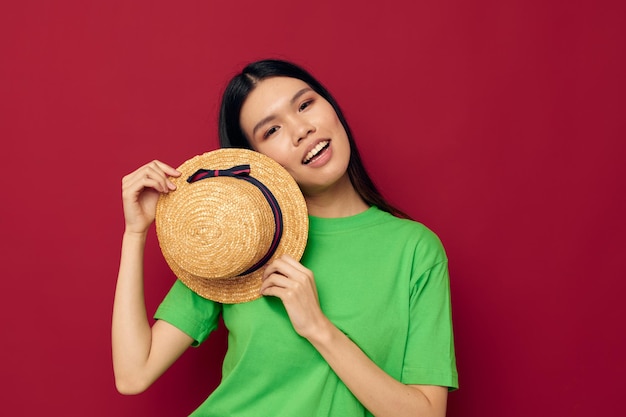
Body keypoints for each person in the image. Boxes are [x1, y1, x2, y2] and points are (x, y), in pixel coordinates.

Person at [112, 59, 458, 417]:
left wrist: (318, 328)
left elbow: (425, 414)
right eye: (271, 130)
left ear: (331, 106)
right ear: (258, 158)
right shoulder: (244, 238)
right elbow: (133, 374)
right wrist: (135, 233)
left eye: (305, 104)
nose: (301, 130)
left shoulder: (415, 250)